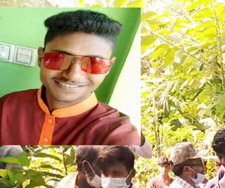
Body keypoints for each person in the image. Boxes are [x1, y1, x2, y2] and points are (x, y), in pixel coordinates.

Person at [0, 10, 139, 145]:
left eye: (94, 63)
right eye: (58, 58)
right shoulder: (6, 106)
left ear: (108, 67)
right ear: (41, 58)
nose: (73, 75)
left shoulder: (119, 135)